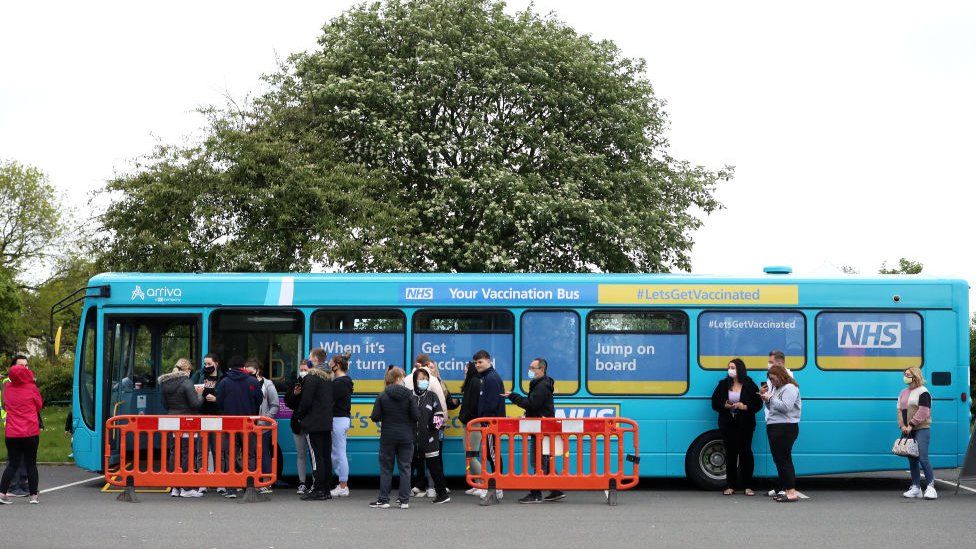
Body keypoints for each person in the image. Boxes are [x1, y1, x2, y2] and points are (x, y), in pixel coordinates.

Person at [504, 357, 564, 503]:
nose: (529, 370)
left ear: (541, 369)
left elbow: (532, 404)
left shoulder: (542, 386)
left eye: (532, 368)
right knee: (544, 460)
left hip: (541, 429)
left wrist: (513, 396)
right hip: (541, 427)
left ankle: (536, 493)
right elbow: (536, 406)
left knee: (537, 461)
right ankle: (556, 489)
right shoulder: (539, 384)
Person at [710, 358, 762, 496]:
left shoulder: (750, 384)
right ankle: (730, 485)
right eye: (729, 367)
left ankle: (748, 485)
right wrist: (725, 405)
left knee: (746, 453)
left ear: (740, 369)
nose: (730, 370)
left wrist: (744, 406)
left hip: (746, 424)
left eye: (733, 367)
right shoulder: (723, 384)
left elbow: (758, 404)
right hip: (728, 424)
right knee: (731, 454)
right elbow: (715, 403)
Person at [369, 366, 418, 509]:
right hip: (406, 437)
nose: (404, 380)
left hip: (388, 437)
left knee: (386, 468)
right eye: (402, 377)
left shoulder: (382, 395)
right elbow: (415, 416)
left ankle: (383, 500)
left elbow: (375, 417)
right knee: (405, 468)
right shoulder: (409, 395)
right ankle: (404, 501)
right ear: (398, 378)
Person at [216, 355, 263, 498]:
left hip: (229, 424)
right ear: (243, 367)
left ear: (230, 368)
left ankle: (230, 488)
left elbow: (219, 402)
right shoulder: (253, 381)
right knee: (249, 454)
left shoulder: (224, 382)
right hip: (248, 423)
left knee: (230, 454)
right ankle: (249, 486)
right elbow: (259, 400)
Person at [158, 358, 204, 498]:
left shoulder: (165, 383)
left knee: (174, 452)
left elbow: (165, 405)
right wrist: (200, 394)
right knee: (187, 452)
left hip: (172, 421)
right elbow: (195, 404)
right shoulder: (187, 383)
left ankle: (175, 487)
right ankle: (187, 487)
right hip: (187, 421)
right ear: (187, 370)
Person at [0, 360, 44, 504]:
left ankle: (2, 493)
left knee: (12, 464)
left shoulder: (7, 388)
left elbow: (5, 406)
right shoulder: (31, 388)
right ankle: (33, 496)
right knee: (31, 463)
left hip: (12, 432)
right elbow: (39, 405)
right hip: (30, 431)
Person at [293, 348, 334, 501]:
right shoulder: (329, 377)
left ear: (315, 360)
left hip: (313, 423)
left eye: (310, 357)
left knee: (317, 457)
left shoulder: (312, 378)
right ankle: (326, 489)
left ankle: (318, 489)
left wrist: (299, 416)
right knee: (325, 456)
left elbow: (306, 401)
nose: (308, 359)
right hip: (326, 422)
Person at [760, 364, 801, 503]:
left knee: (784, 460)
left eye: (773, 378)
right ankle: (783, 488)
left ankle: (791, 492)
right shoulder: (778, 389)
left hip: (785, 427)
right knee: (779, 459)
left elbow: (785, 407)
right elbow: (773, 407)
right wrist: (766, 400)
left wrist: (770, 398)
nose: (772, 381)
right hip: (775, 426)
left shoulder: (790, 388)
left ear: (781, 375)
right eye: (770, 379)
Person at [409, 368, 450, 504]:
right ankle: (404, 495)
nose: (423, 381)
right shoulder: (409, 396)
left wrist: (431, 429)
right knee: (408, 465)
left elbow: (439, 415)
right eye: (420, 379)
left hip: (430, 439)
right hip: (412, 440)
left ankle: (442, 494)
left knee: (434, 467)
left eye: (426, 379)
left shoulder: (432, 396)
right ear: (415, 380)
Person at [899, 366, 936, 500]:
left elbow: (924, 411)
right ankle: (916, 487)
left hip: (921, 428)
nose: (905, 377)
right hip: (908, 430)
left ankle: (931, 486)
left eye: (908, 374)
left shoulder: (923, 391)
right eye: (904, 374)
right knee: (912, 458)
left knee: (922, 457)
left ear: (915, 376)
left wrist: (911, 424)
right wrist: (902, 425)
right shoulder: (903, 392)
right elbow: (900, 410)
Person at [474, 349, 506, 501]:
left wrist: (485, 420)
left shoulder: (491, 378)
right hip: (488, 423)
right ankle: (495, 486)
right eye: (476, 363)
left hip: (491, 424)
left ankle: (497, 487)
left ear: (488, 361)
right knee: (491, 455)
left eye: (480, 362)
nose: (477, 365)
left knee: (493, 455)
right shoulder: (487, 377)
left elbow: (492, 403)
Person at [246, 358, 279, 494]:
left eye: (250, 372)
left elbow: (275, 405)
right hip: (248, 425)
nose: (248, 374)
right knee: (250, 454)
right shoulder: (246, 383)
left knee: (264, 453)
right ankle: (251, 482)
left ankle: (266, 482)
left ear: (257, 371)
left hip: (263, 427)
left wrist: (266, 420)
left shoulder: (268, 384)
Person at [0, 356, 30, 497]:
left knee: (26, 457)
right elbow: (5, 404)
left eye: (26, 365)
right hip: (13, 424)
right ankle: (12, 486)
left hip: (26, 425)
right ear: (13, 367)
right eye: (20, 365)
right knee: (14, 458)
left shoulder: (28, 382)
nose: (24, 368)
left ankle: (23, 484)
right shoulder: (8, 382)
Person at [285, 359, 312, 494]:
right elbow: (288, 402)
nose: (303, 372)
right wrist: (295, 394)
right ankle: (302, 482)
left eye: (305, 370)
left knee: (315, 455)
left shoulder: (314, 383)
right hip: (297, 424)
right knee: (301, 454)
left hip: (312, 424)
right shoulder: (295, 383)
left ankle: (316, 482)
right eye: (301, 369)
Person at [330, 353, 354, 498]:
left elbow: (329, 401)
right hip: (341, 419)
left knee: (339, 453)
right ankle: (341, 484)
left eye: (331, 363)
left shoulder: (339, 383)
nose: (329, 365)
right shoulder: (344, 381)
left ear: (337, 366)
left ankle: (343, 486)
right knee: (337, 453)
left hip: (338, 419)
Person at [458, 360, 483, 496]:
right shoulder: (472, 381)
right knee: (469, 455)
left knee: (471, 455)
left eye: (466, 369)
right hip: (469, 423)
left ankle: (483, 484)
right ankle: (476, 483)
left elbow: (472, 405)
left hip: (473, 423)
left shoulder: (474, 382)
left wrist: (464, 417)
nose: (464, 371)